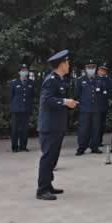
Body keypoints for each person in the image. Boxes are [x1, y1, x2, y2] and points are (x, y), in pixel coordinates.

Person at [36, 50, 78, 201]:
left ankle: (48, 185)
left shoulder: (59, 80)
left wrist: (68, 103)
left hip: (57, 125)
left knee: (53, 157)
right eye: (67, 62)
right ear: (61, 64)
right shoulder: (51, 80)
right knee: (48, 157)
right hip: (49, 126)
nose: (69, 65)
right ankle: (42, 190)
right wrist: (65, 101)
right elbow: (47, 100)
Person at [74, 59, 103, 155]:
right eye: (89, 67)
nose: (91, 69)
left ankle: (94, 147)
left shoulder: (99, 79)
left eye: (93, 67)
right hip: (84, 109)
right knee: (83, 129)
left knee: (96, 129)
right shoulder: (80, 80)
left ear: (95, 68)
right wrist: (80, 106)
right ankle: (81, 147)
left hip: (96, 108)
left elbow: (103, 94)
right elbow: (77, 94)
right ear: (86, 68)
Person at [9, 63, 35, 152]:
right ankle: (14, 147)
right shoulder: (14, 82)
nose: (24, 72)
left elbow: (32, 96)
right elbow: (11, 96)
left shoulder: (31, 83)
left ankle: (23, 146)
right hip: (16, 110)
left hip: (26, 109)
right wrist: (13, 107)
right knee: (15, 129)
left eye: (26, 70)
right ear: (19, 72)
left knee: (25, 129)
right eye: (22, 70)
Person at [96, 63, 111, 147]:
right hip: (95, 106)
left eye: (104, 70)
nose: (103, 72)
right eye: (101, 70)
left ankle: (99, 141)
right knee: (95, 125)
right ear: (98, 70)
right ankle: (94, 141)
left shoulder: (107, 80)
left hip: (104, 105)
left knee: (102, 125)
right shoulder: (94, 79)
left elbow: (110, 91)